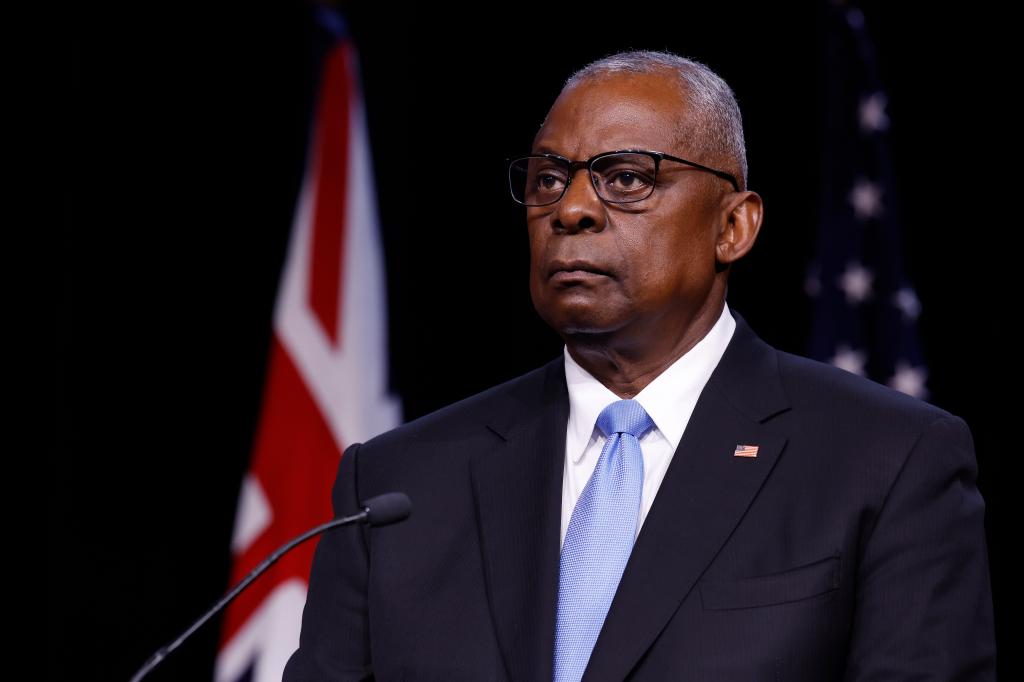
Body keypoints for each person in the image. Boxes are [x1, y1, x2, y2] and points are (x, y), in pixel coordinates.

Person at [282, 50, 995, 681]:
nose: (572, 210)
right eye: (548, 180)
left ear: (733, 226)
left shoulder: (886, 460)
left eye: (625, 179)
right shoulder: (398, 485)